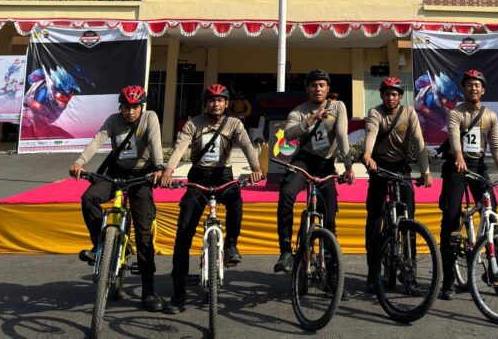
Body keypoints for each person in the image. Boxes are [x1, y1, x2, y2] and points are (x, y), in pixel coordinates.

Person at [161, 83, 262, 314]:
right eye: (211, 100)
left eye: (220, 100)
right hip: (198, 178)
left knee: (236, 201)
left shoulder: (234, 123)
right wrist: (168, 171)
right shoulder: (193, 123)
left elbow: (246, 144)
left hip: (223, 176)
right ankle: (178, 295)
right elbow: (180, 147)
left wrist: (256, 166)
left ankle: (231, 245)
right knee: (183, 234)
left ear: (226, 104)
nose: (215, 104)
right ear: (205, 103)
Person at [68, 85, 165, 312]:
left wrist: (160, 167)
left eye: (135, 107)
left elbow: (155, 141)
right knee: (89, 198)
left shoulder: (150, 118)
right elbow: (97, 140)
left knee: (143, 234)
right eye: (126, 107)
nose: (130, 112)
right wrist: (80, 162)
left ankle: (148, 291)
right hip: (115, 173)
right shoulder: (113, 120)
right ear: (121, 107)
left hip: (141, 176)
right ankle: (100, 245)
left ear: (142, 107)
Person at [438, 69, 498, 301]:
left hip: (478, 167)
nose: (473, 88)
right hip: (456, 167)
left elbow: (496, 146)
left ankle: (496, 274)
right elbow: (453, 136)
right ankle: (448, 280)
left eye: (478, 85)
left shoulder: (490, 116)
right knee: (450, 218)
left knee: (492, 215)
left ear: (483, 89)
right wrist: (458, 156)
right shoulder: (455, 113)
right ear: (464, 88)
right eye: (469, 84)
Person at [273, 69, 355, 280]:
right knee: (287, 193)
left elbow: (341, 135)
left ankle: (333, 277)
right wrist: (310, 119)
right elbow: (288, 134)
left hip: (326, 165)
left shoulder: (338, 106)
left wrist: (348, 166)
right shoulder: (298, 111)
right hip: (304, 162)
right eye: (313, 85)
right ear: (307, 89)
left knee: (330, 219)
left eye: (321, 85)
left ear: (328, 88)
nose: (317, 89)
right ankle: (285, 251)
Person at [362, 77, 432, 293]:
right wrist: (367, 154)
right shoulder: (375, 113)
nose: (390, 97)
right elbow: (371, 133)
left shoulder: (409, 113)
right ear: (382, 96)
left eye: (395, 94)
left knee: (409, 218)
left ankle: (409, 272)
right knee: (374, 217)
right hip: (379, 166)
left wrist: (426, 171)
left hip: (401, 168)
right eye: (386, 94)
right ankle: (373, 271)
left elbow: (419, 142)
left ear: (401, 97)